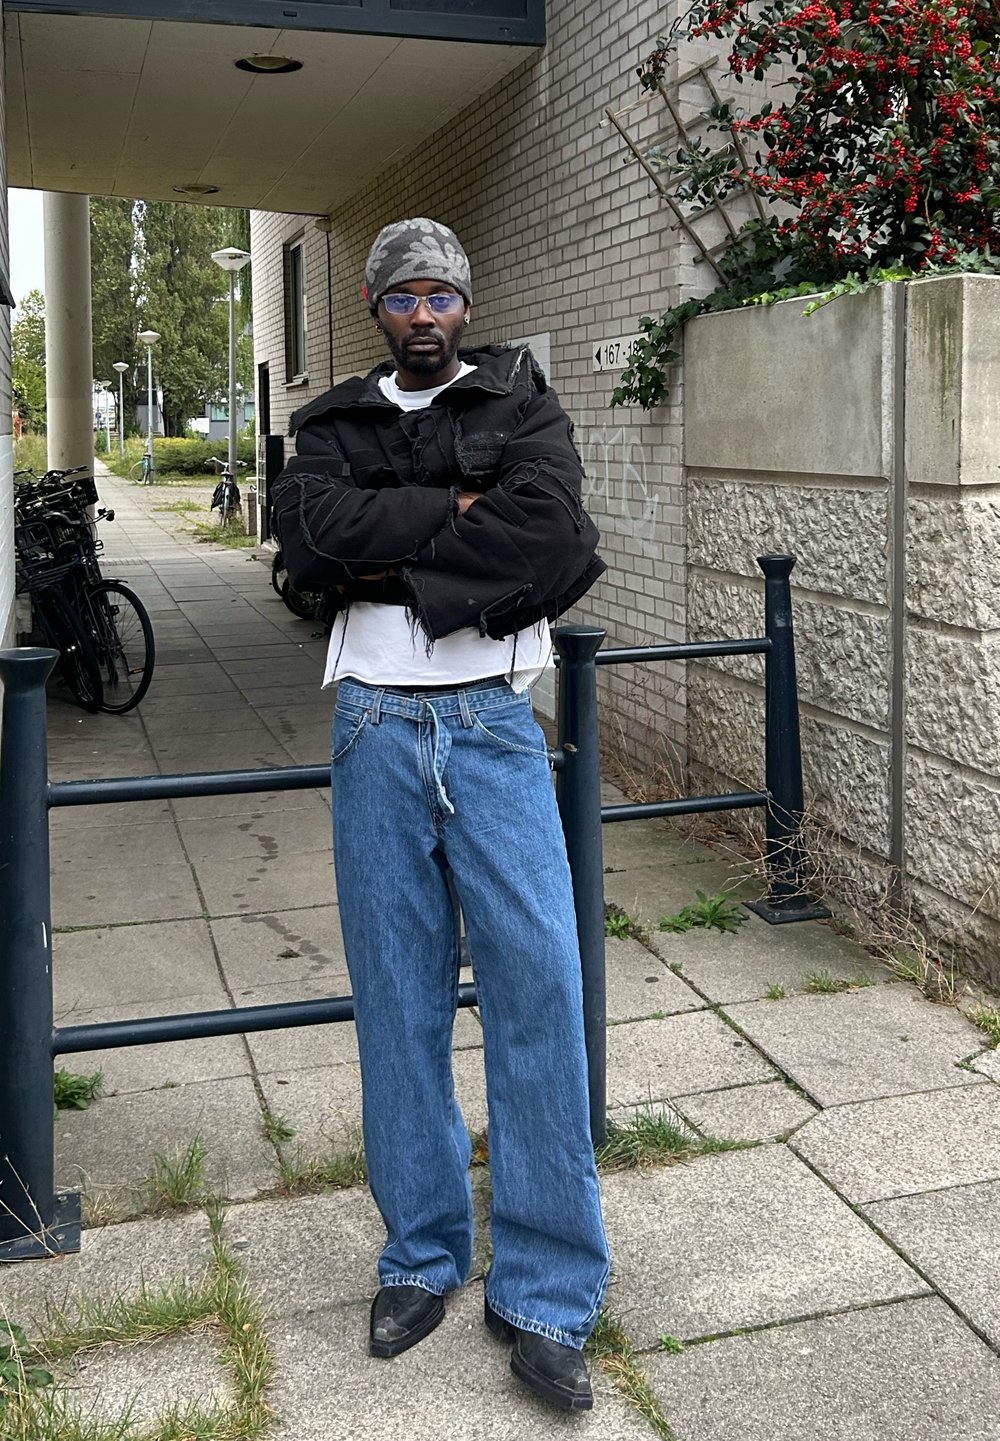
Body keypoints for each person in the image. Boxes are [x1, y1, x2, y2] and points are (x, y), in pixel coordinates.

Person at [271, 217, 610, 1412]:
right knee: (398, 998)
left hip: (492, 725)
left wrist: (391, 545)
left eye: (443, 296)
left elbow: (559, 535)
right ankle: (420, 1256)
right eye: (404, 295)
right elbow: (311, 539)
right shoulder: (326, 425)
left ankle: (547, 1293)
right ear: (374, 305)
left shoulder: (521, 401)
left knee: (540, 992)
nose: (425, 313)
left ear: (465, 306)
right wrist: (456, 518)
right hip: (370, 725)